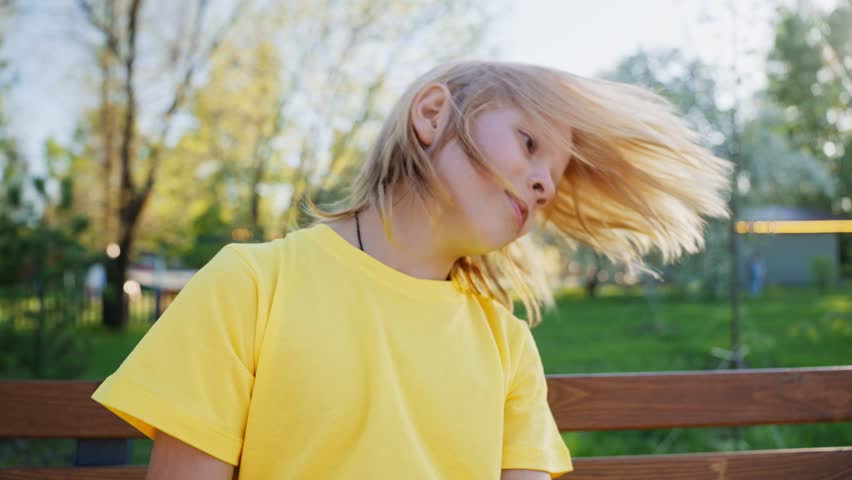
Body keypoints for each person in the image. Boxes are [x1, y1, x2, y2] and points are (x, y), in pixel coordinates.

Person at [90, 60, 732, 479]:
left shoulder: (506, 345)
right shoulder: (251, 285)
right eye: (531, 144)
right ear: (432, 115)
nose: (541, 183)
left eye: (553, 184)